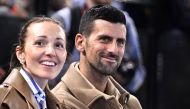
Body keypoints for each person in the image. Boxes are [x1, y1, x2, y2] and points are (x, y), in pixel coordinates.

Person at [52, 5, 142, 109]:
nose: (113, 50)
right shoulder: (57, 104)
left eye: (120, 42)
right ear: (80, 42)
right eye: (105, 39)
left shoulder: (131, 104)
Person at [0, 16, 67, 109]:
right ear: (20, 53)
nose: (51, 52)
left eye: (58, 45)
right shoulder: (3, 100)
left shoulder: (55, 103)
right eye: (40, 43)